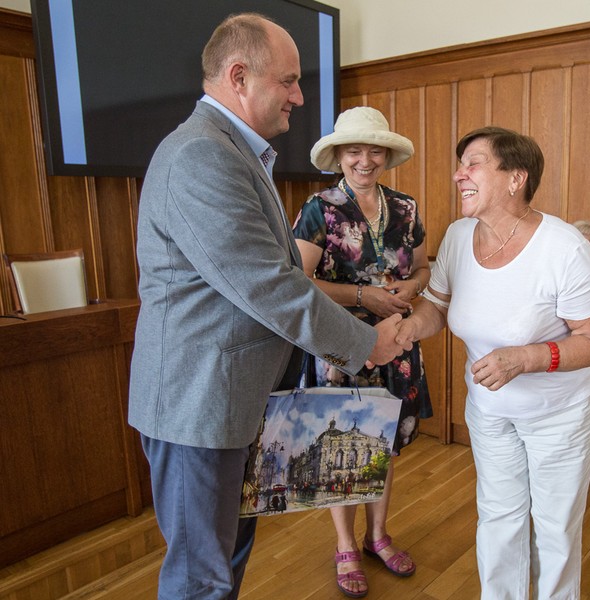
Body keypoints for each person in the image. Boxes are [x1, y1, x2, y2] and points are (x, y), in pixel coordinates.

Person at [128, 14, 408, 599]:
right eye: (289, 81)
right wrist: (366, 342)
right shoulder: (200, 156)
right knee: (200, 578)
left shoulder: (230, 152)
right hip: (197, 405)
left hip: (230, 402)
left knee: (225, 561)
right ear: (238, 76)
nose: (299, 97)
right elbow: (269, 287)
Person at [396, 126, 590, 599]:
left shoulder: (565, 247)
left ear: (516, 178)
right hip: (491, 414)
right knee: (499, 518)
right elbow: (436, 305)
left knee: (554, 529)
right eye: (460, 164)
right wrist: (406, 328)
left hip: (561, 416)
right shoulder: (457, 237)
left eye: (473, 163)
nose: (458, 174)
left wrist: (525, 358)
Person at [293, 106, 432, 597]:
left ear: (386, 156)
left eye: (374, 150)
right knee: (340, 447)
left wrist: (407, 289)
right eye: (354, 150)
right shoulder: (319, 208)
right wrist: (362, 296)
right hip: (340, 350)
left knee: (383, 446)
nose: (365, 159)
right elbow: (299, 283)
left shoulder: (408, 208)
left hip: (396, 341)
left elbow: (422, 270)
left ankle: (377, 536)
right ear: (339, 156)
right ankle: (345, 545)